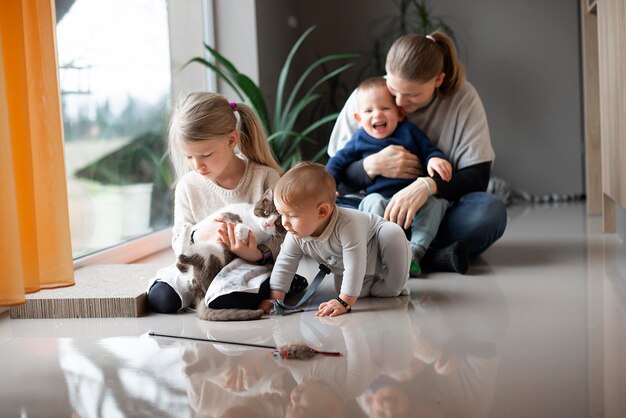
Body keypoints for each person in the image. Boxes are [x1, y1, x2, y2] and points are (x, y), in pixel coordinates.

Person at [328, 32, 507, 273]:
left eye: (412, 95)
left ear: (438, 80)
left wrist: (427, 186)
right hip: (374, 208)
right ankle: (430, 257)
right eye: (393, 88)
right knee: (326, 212)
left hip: (432, 213)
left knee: (488, 212)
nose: (400, 103)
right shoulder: (369, 96)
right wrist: (370, 167)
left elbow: (478, 178)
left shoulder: (463, 99)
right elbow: (336, 174)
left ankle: (398, 253)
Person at [146, 92, 283, 313]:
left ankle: (230, 292)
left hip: (249, 265)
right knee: (161, 298)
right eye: (188, 157)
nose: (197, 166)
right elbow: (179, 240)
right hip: (203, 263)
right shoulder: (188, 186)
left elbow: (287, 235)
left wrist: (257, 254)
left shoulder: (265, 179)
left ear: (231, 140)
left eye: (206, 155)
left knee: (229, 298)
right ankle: (211, 291)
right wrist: (197, 234)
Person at [326, 76, 455, 275]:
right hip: (381, 204)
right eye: (369, 111)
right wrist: (327, 187)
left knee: (436, 205)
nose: (377, 115)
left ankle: (415, 251)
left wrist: (434, 159)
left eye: (385, 108)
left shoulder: (410, 132)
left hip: (413, 204)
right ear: (359, 119)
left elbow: (429, 150)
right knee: (370, 202)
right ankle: (379, 252)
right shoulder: (360, 138)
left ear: (400, 113)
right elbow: (337, 162)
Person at [259, 162, 411, 317]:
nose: (284, 222)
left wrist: (344, 302)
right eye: (281, 213)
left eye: (292, 215)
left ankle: (395, 286)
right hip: (347, 267)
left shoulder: (347, 225)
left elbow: (354, 264)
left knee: (392, 234)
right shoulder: (295, 233)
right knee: (350, 291)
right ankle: (370, 286)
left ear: (322, 211)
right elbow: (285, 264)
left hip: (377, 249)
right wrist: (275, 299)